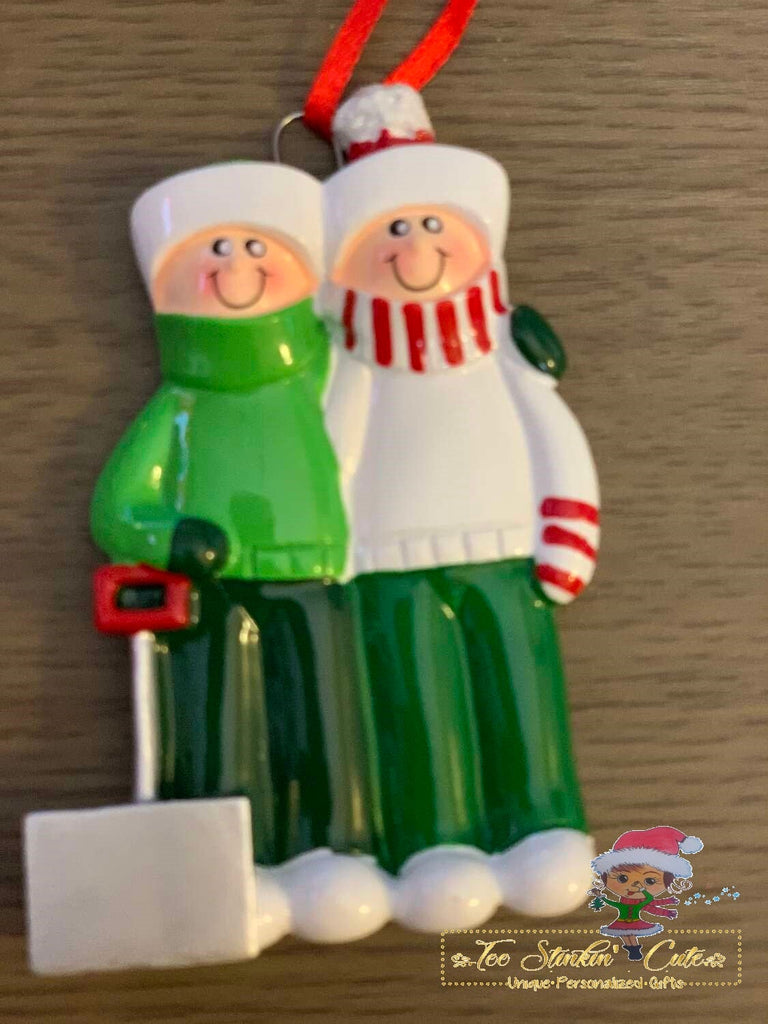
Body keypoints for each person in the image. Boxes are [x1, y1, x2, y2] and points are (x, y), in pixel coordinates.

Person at [317, 84, 600, 917]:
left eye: (433, 225)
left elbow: (551, 432)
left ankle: (542, 822)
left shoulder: (507, 354)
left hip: (506, 552)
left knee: (520, 683)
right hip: (388, 562)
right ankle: (431, 838)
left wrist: (569, 530)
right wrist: (327, 549)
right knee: (412, 693)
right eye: (392, 230)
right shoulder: (350, 367)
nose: (416, 248)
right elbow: (331, 456)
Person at [91, 161, 373, 868]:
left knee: (324, 718)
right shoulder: (180, 404)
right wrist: (171, 536)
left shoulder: (329, 372)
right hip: (213, 588)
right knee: (217, 725)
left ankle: (335, 849)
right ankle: (226, 862)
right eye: (215, 249)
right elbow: (117, 508)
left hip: (315, 572)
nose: (237, 265)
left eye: (256, 247)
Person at [589, 826, 703, 960]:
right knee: (626, 934)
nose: (633, 886)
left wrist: (666, 910)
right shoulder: (625, 902)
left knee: (628, 934)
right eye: (622, 878)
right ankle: (632, 949)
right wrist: (600, 896)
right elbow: (641, 904)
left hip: (633, 922)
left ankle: (634, 949)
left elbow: (650, 904)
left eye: (650, 880)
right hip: (623, 922)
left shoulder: (638, 901)